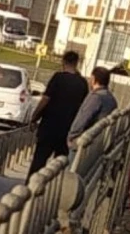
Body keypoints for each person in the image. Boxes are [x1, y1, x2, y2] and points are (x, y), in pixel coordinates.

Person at [27, 50, 89, 181]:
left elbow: (45, 99)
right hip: (68, 130)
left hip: (49, 127)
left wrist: (34, 117)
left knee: (39, 161)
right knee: (60, 164)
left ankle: (30, 187)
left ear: (63, 62)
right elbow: (83, 108)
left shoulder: (58, 78)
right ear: (77, 63)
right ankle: (52, 191)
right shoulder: (82, 83)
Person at [67, 66, 118, 149]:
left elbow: (83, 117)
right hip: (102, 143)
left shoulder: (95, 97)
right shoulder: (112, 99)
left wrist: (72, 137)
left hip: (87, 142)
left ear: (93, 79)